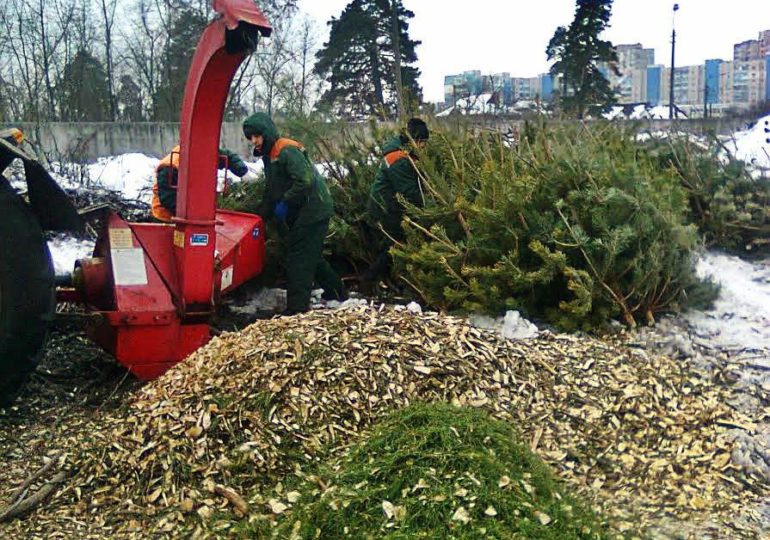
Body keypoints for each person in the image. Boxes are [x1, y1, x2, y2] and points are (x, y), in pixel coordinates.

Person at [242, 112, 346, 314]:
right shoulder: (270, 155)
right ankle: (338, 293)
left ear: (266, 133)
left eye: (256, 136)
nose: (254, 141)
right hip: (305, 208)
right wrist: (260, 217)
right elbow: (272, 189)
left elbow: (304, 181)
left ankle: (296, 310)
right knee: (311, 255)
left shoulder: (286, 150)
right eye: (250, 138)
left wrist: (284, 202)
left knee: (298, 258)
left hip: (314, 208)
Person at [362, 117, 430, 283]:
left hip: (389, 206)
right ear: (415, 140)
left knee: (392, 246)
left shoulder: (402, 154)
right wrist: (433, 207)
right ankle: (369, 280)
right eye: (423, 142)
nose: (424, 147)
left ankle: (383, 281)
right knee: (395, 245)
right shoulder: (398, 159)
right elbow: (409, 191)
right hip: (385, 209)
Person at [151, 145, 248, 222]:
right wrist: (194, 215)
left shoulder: (202, 153)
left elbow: (227, 157)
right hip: (166, 218)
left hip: (190, 212)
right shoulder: (170, 167)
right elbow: (168, 199)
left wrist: (243, 172)